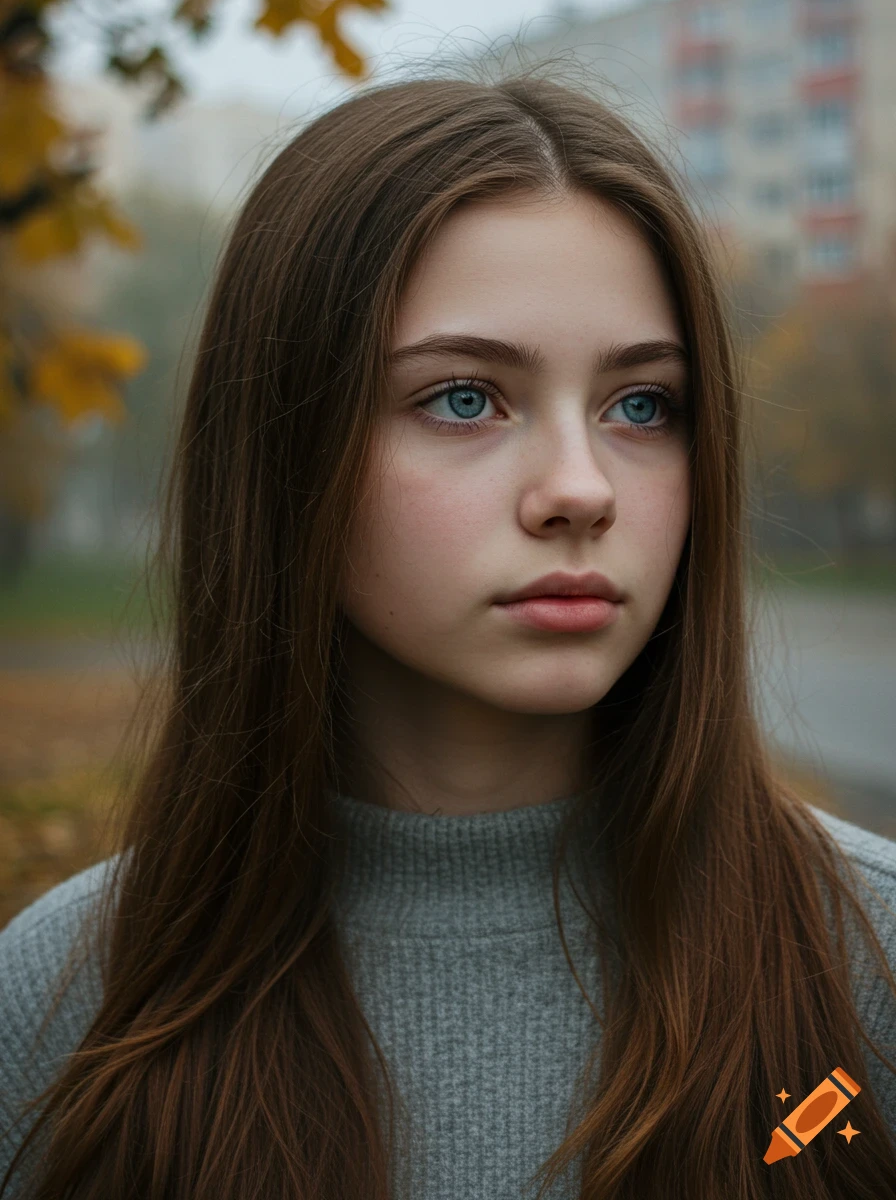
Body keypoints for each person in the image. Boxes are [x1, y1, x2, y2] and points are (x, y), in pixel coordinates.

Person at [1, 60, 895, 1200]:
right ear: (284, 450)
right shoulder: (64, 1006)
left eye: (641, 405)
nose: (579, 488)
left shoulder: (864, 966)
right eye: (464, 397)